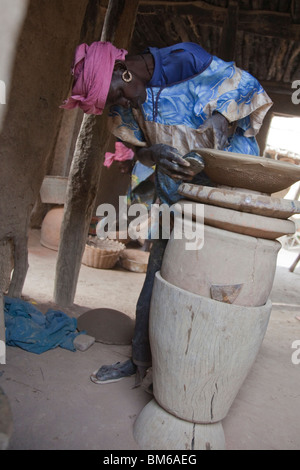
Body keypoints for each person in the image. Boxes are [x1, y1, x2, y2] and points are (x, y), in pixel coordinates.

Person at [61, 41, 273, 386]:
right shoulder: (127, 98)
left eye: (119, 95)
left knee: (211, 282)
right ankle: (139, 360)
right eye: (116, 104)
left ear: (121, 71)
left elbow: (247, 87)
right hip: (173, 194)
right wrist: (154, 152)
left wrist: (220, 118)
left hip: (221, 194)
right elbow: (140, 151)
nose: (125, 104)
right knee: (159, 274)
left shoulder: (186, 59)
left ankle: (199, 373)